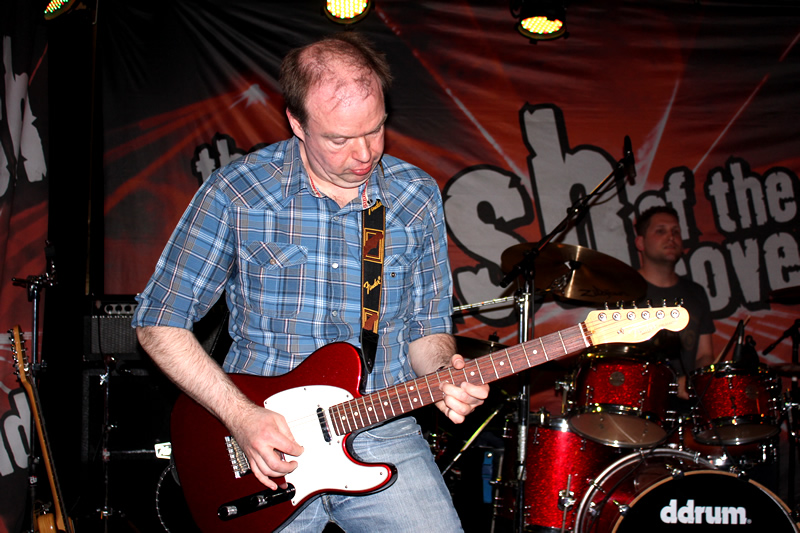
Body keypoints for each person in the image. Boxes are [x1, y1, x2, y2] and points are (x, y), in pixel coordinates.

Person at [132, 32, 488, 532]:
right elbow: (158, 321)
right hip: (260, 435)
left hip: (381, 425)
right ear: (296, 123)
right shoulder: (240, 193)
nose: (364, 154)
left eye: (376, 129)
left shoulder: (414, 194)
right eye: (339, 139)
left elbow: (426, 325)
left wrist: (443, 374)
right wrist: (241, 417)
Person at [634, 205, 715, 399]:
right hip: (641, 406)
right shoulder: (622, 293)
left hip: (687, 413)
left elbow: (705, 354)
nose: (671, 237)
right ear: (640, 243)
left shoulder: (696, 293)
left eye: (676, 231)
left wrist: (698, 379)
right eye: (660, 231)